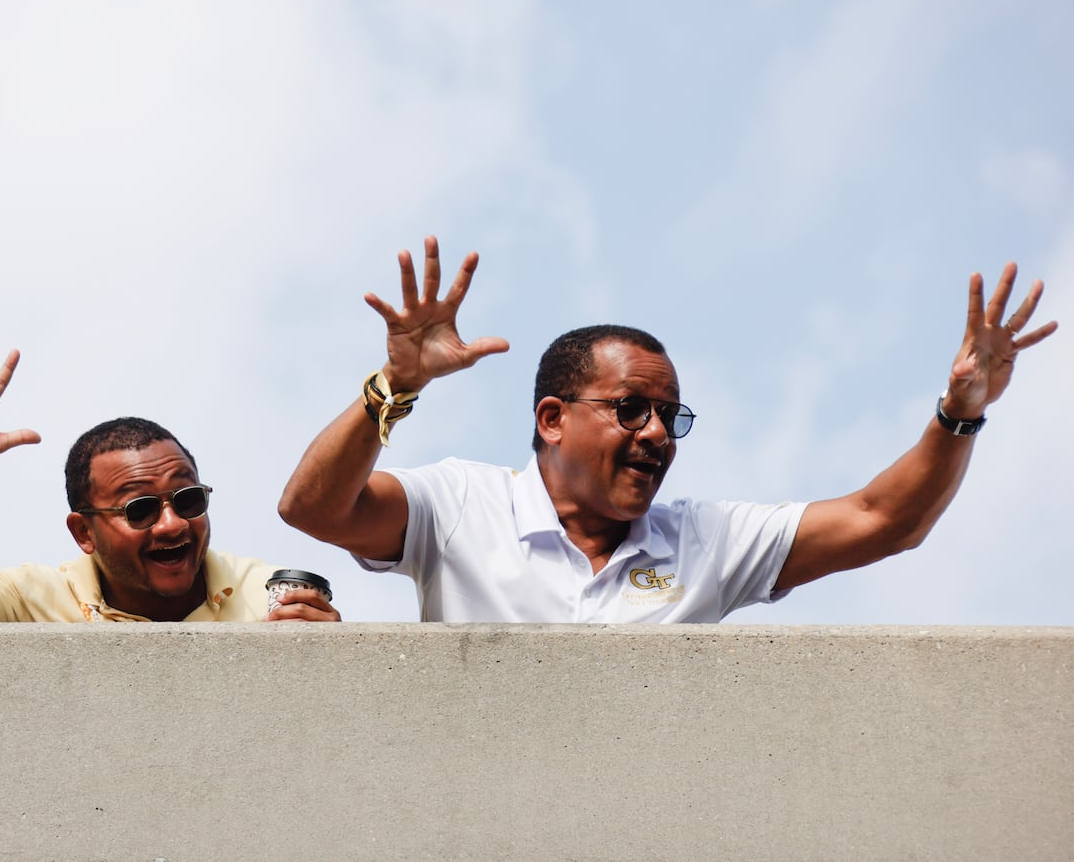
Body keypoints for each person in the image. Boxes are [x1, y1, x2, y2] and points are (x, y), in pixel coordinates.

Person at [278, 236, 1057, 623]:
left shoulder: (704, 541)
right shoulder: (458, 507)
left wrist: (961, 413)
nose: (658, 434)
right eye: (631, 410)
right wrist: (397, 386)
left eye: (670, 415)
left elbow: (884, 520)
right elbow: (313, 509)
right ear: (552, 419)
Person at [0, 330, 342, 623]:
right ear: (83, 532)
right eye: (140, 509)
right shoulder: (37, 601)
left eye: (188, 499)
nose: (172, 525)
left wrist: (326, 647)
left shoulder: (260, 595)